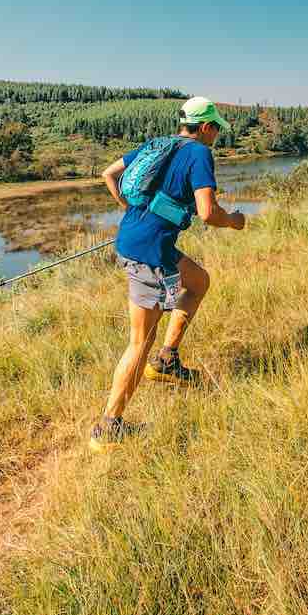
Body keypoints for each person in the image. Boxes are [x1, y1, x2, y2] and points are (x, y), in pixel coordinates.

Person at [89, 96, 246, 451]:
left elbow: (109, 174)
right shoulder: (199, 153)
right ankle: (108, 428)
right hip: (150, 252)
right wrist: (234, 221)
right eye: (216, 128)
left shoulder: (158, 144)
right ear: (205, 127)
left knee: (198, 281)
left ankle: (167, 361)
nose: (217, 135)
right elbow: (207, 213)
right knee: (138, 343)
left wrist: (134, 210)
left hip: (138, 239)